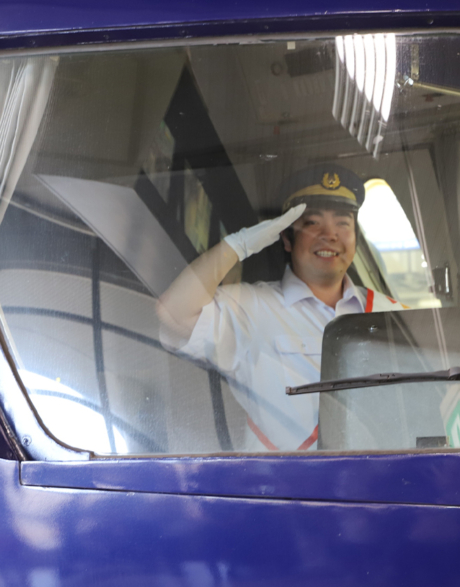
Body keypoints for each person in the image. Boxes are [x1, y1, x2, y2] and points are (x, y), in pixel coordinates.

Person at [156, 165, 406, 452]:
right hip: (285, 489)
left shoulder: (390, 313)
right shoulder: (252, 307)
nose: (330, 235)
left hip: (381, 483)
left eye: (343, 223)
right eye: (312, 223)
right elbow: (173, 313)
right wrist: (237, 245)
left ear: (355, 237)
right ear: (286, 238)